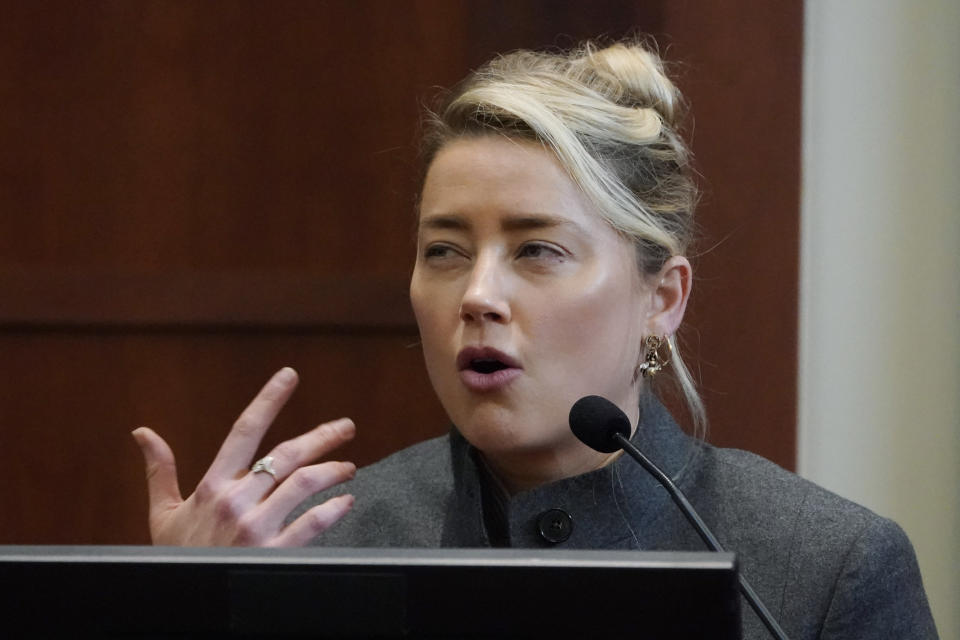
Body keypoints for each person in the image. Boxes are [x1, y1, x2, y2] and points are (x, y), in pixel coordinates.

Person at [131, 40, 938, 639]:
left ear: (663, 297)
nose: (477, 295)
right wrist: (177, 613)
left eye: (536, 250)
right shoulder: (311, 546)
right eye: (444, 251)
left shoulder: (824, 568)